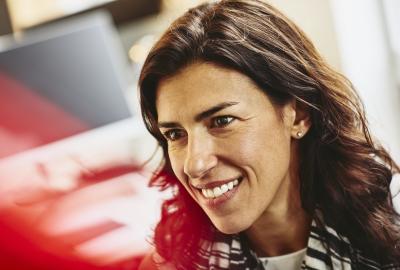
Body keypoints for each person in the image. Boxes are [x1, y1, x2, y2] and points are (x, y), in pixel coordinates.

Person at [137, 0, 400, 269]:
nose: (195, 164)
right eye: (174, 134)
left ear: (298, 115)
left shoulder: (392, 235)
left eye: (222, 121)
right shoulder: (168, 263)